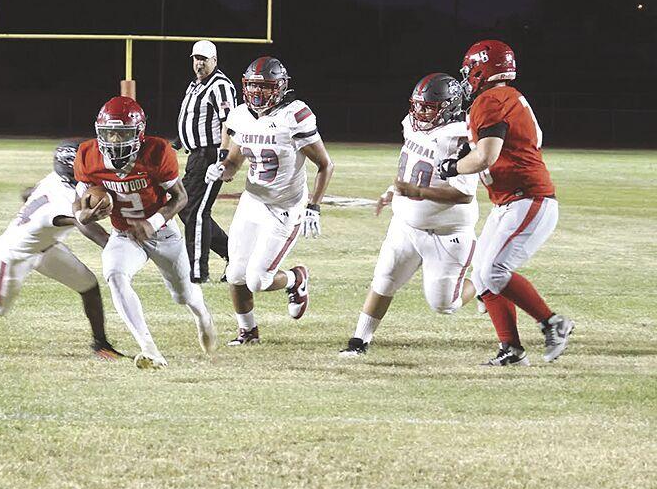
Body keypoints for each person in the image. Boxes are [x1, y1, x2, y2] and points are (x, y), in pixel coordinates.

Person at [438, 39, 574, 366]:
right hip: (512, 200)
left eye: (471, 69)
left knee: (495, 270)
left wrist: (453, 167)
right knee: (483, 275)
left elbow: (486, 156)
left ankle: (552, 323)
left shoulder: (491, 99)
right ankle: (511, 349)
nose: (468, 76)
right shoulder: (505, 97)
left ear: (483, 68)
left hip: (528, 197)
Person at [0, 141, 124, 359]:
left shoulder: (56, 178)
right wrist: (124, 248)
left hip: (45, 248)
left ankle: (100, 344)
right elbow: (90, 230)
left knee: (88, 285)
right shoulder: (64, 198)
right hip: (14, 254)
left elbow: (27, 193)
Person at [340, 73, 478, 357]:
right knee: (383, 279)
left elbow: (463, 194)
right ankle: (359, 341)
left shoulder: (461, 136)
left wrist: (418, 192)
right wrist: (393, 189)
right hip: (405, 225)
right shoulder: (411, 124)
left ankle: (484, 282)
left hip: (446, 234)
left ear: (449, 107)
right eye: (418, 105)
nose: (420, 112)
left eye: (429, 107)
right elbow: (411, 165)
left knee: (444, 305)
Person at [75, 96, 217, 369]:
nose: (115, 141)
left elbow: (180, 197)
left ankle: (202, 316)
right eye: (110, 134)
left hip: (162, 232)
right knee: (115, 275)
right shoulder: (88, 154)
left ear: (138, 134)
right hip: (124, 234)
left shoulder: (157, 151)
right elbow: (78, 199)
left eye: (123, 134)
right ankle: (149, 349)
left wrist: (151, 223)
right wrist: (82, 215)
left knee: (184, 295)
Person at [205, 57, 335, 345]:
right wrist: (222, 168)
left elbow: (325, 164)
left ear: (280, 88)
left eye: (264, 87)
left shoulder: (295, 115)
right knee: (235, 272)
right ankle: (248, 331)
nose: (256, 93)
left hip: (285, 208)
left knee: (257, 279)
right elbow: (234, 162)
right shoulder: (240, 115)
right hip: (253, 200)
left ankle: (295, 279)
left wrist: (314, 206)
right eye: (252, 86)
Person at [174, 40, 236, 283]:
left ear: (214, 61)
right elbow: (192, 119)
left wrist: (224, 158)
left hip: (210, 156)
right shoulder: (195, 85)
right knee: (188, 208)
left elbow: (229, 123)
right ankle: (235, 255)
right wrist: (178, 142)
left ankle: (197, 273)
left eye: (204, 59)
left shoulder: (220, 85)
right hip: (195, 156)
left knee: (196, 211)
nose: (199, 63)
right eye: (196, 58)